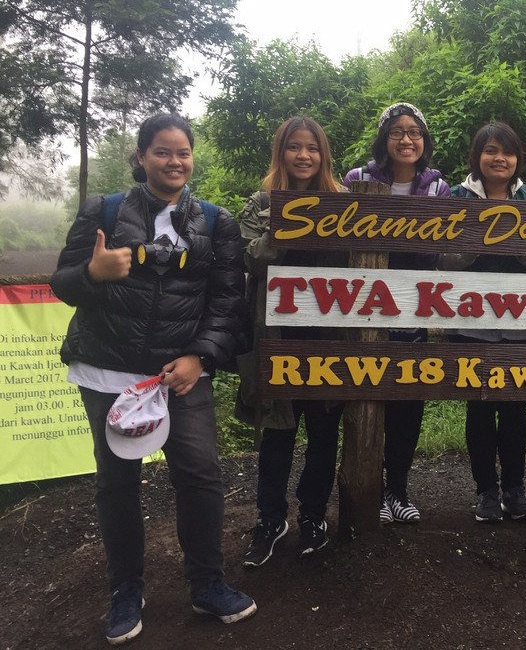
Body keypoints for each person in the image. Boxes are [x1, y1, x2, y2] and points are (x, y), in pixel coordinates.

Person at [50, 113, 255, 645]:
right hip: (106, 369)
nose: (174, 162)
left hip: (180, 376)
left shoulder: (216, 222)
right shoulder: (104, 211)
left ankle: (208, 583)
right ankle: (125, 590)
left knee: (201, 474)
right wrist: (93, 275)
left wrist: (200, 359)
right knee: (117, 483)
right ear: (141, 158)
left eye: (182, 152)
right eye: (162, 152)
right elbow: (63, 283)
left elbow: (229, 301)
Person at [236, 117, 345, 566]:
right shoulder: (259, 204)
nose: (304, 155)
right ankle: (270, 518)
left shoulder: (342, 203)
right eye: (294, 147)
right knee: (277, 434)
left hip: (329, 338)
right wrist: (289, 224)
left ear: (323, 155)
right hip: (277, 338)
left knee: (323, 433)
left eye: (312, 148)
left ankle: (314, 515)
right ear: (280, 153)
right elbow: (249, 259)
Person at [344, 102, 451, 523]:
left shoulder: (439, 189)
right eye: (397, 132)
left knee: (408, 396)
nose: (406, 140)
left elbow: (432, 249)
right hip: (364, 305)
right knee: (368, 395)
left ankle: (398, 490)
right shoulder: (358, 180)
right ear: (383, 138)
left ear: (424, 142)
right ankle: (366, 486)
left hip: (414, 304)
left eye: (414, 132)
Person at [439, 122, 526, 523]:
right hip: (467, 320)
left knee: (516, 408)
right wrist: (478, 240)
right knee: (479, 408)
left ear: (517, 159)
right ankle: (486, 491)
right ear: (476, 156)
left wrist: (519, 247)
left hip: (520, 319)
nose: (500, 159)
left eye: (508, 152)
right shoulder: (455, 196)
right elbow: (441, 259)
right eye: (491, 151)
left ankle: (515, 491)